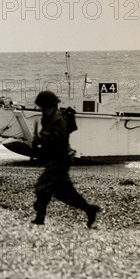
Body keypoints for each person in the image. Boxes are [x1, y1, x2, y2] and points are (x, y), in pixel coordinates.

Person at [31, 91, 100, 228]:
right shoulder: (49, 118)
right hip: (55, 160)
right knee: (63, 193)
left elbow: (60, 140)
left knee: (43, 187)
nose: (41, 109)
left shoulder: (58, 120)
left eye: (42, 106)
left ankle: (40, 217)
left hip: (60, 160)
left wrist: (41, 138)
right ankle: (89, 210)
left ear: (47, 106)